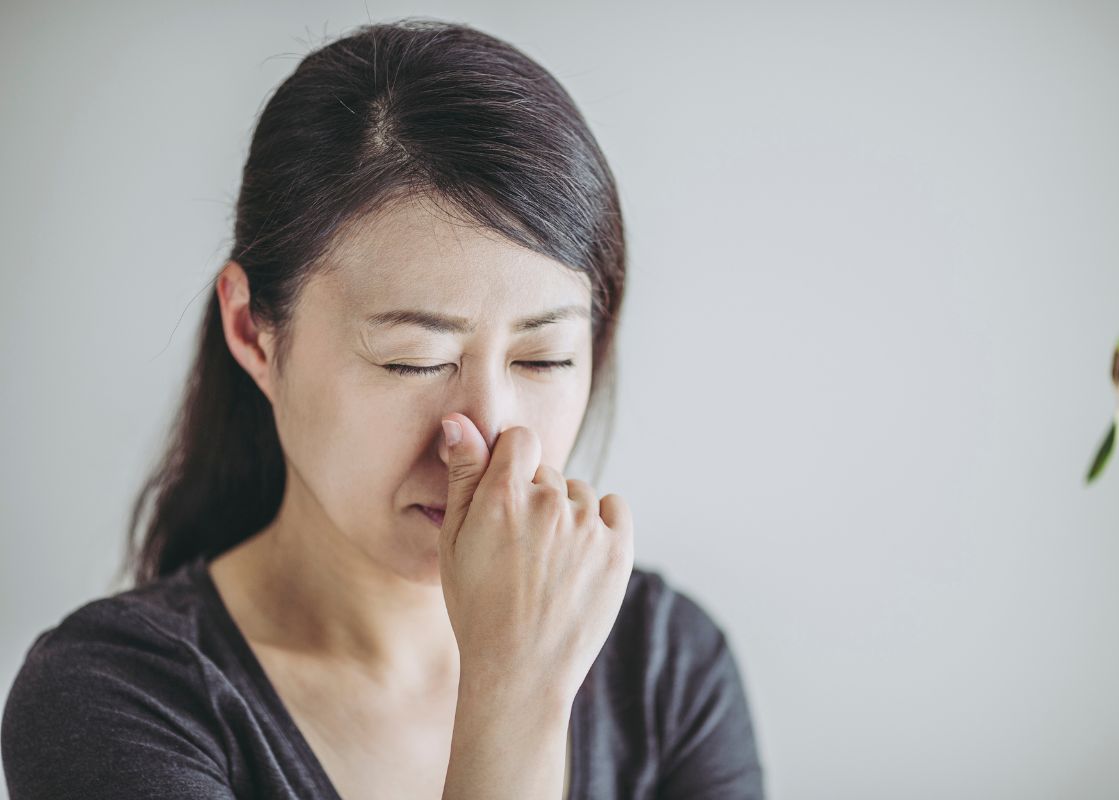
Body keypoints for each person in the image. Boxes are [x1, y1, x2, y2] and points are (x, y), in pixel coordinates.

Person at [0, 17, 766, 800]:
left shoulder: (668, 669)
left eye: (544, 358)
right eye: (415, 361)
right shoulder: (115, 699)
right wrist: (514, 696)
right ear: (253, 334)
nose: (488, 434)